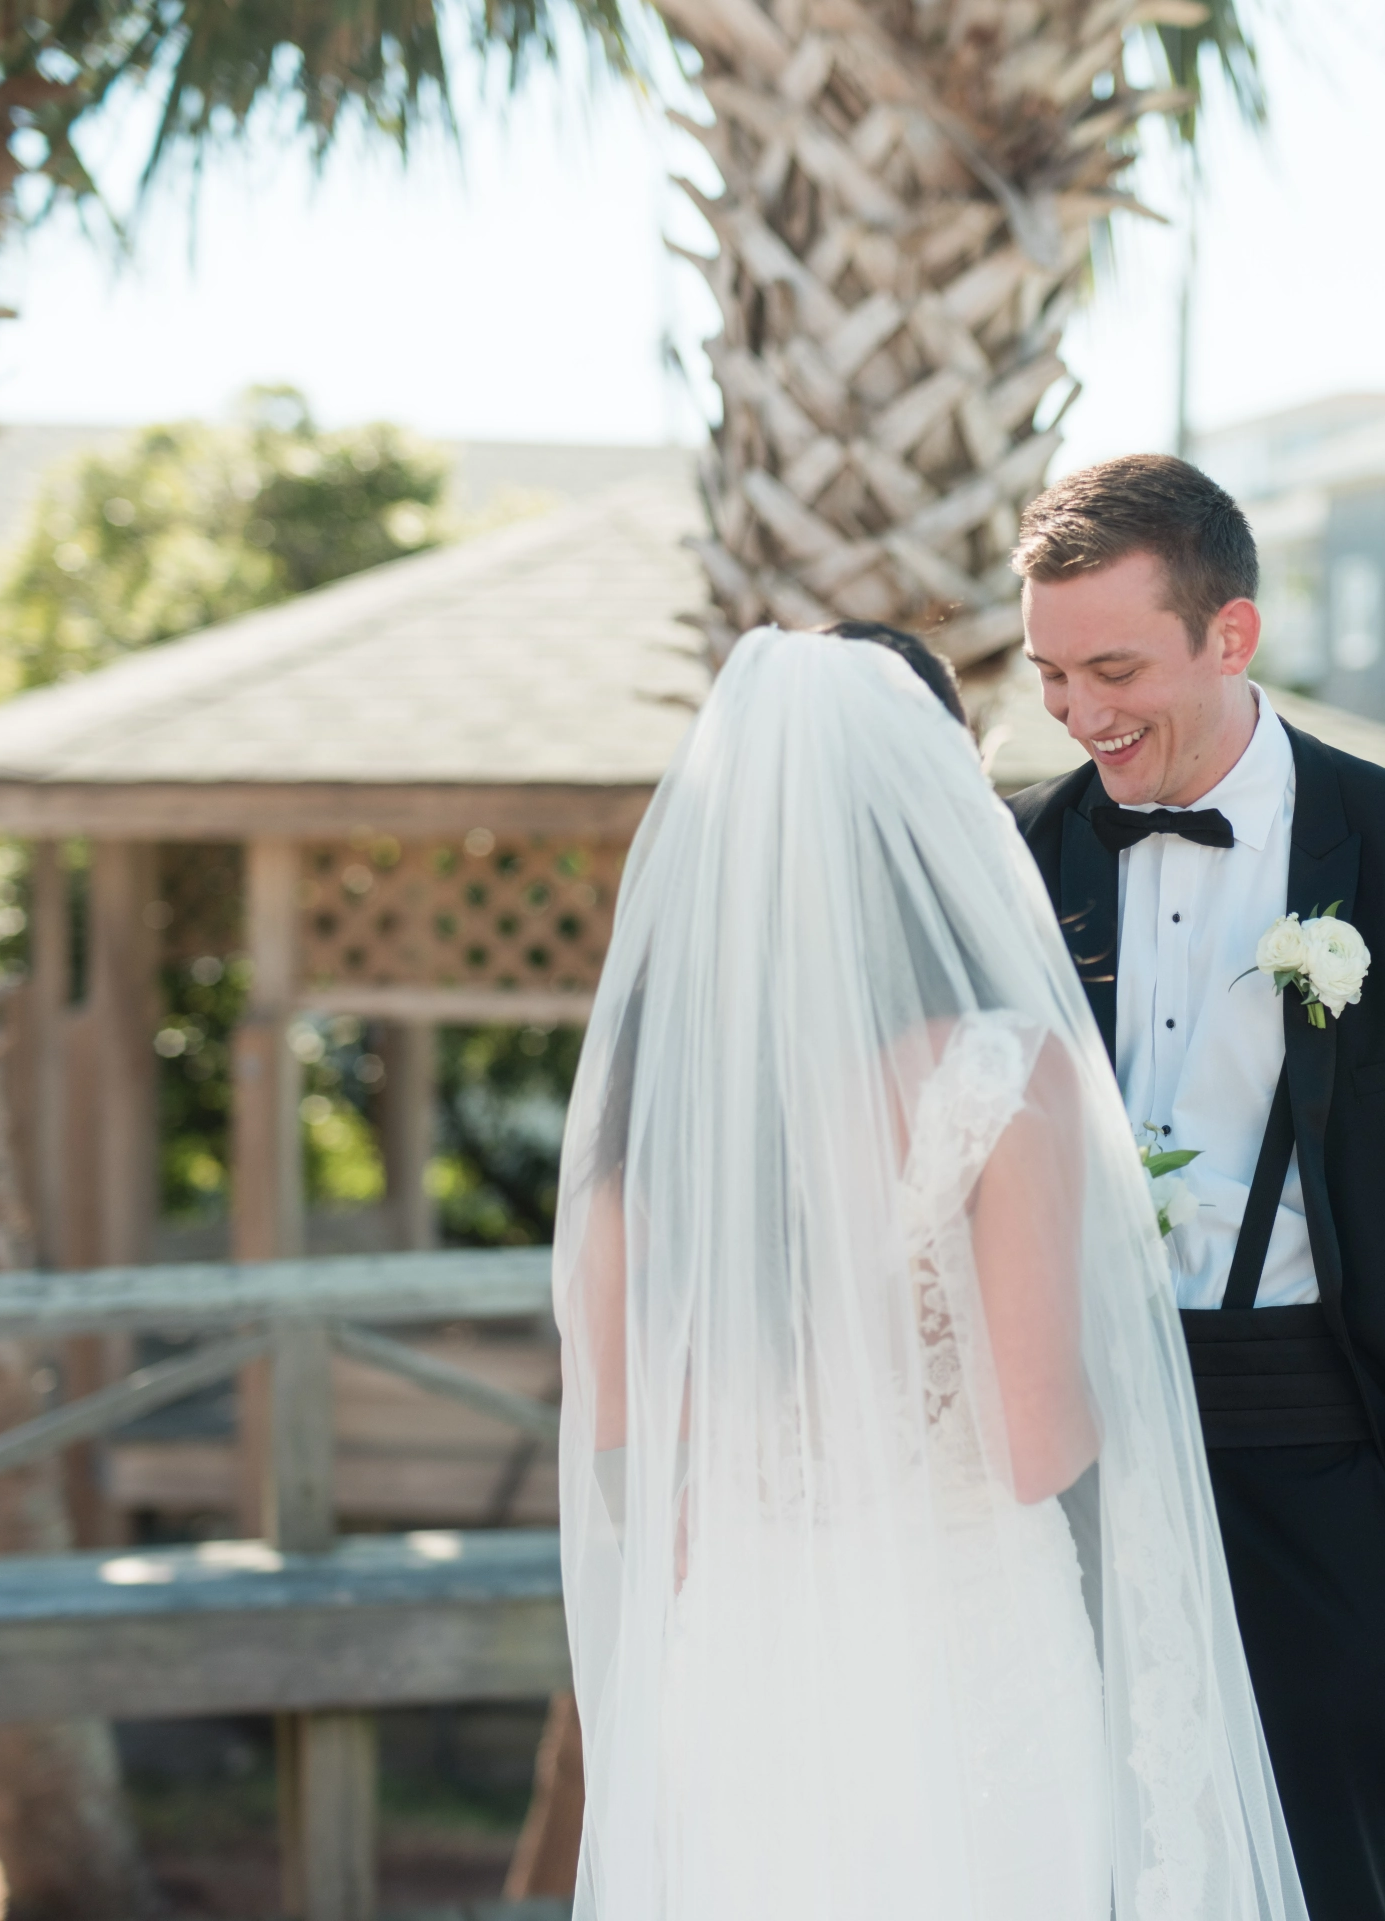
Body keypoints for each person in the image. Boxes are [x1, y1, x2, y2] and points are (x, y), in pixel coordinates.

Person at [551, 624, 1310, 1920]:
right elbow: (1035, 1446)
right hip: (967, 1648)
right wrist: (1121, 1326)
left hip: (734, 1649)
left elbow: (619, 1425)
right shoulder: (995, 1075)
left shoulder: (647, 1106)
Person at [1005, 455, 1385, 1921]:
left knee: (1334, 1888)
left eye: (1115, 668)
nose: (1077, 711)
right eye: (1050, 673)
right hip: (1072, 1460)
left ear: (1231, 635)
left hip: (1329, 1464)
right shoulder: (1009, 863)